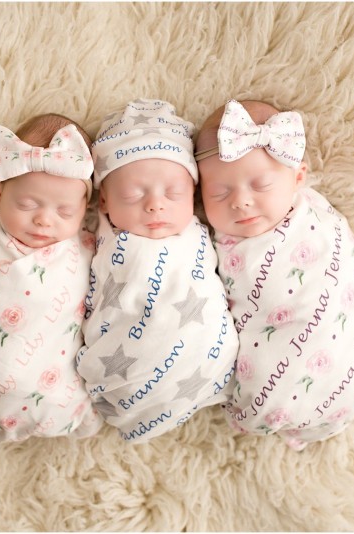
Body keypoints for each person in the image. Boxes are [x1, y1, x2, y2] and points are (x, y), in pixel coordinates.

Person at [195, 99, 354, 451]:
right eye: (219, 193)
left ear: (298, 178)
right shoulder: (211, 246)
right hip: (276, 372)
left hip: (348, 352)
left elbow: (345, 270)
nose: (240, 201)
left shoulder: (315, 216)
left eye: (261, 185)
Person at [77, 99, 239, 443]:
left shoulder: (202, 234)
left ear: (193, 195)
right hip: (128, 368)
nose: (155, 204)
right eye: (132, 195)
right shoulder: (102, 243)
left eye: (174, 193)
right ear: (103, 201)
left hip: (207, 358)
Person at [0, 113, 103, 442]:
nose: (44, 220)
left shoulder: (84, 250)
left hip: (51, 387)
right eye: (27, 204)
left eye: (65, 211)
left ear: (85, 208)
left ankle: (67, 414)